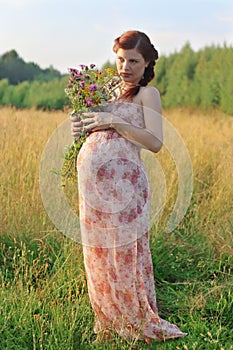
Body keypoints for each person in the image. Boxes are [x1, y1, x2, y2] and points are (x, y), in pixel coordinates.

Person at [71, 30, 187, 344]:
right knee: (98, 253)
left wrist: (116, 123)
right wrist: (81, 125)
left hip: (126, 189)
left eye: (133, 61)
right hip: (93, 189)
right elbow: (93, 130)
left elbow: (155, 142)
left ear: (148, 62)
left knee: (125, 253)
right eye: (121, 59)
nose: (125, 67)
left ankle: (133, 321)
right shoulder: (109, 90)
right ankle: (106, 322)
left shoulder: (147, 94)